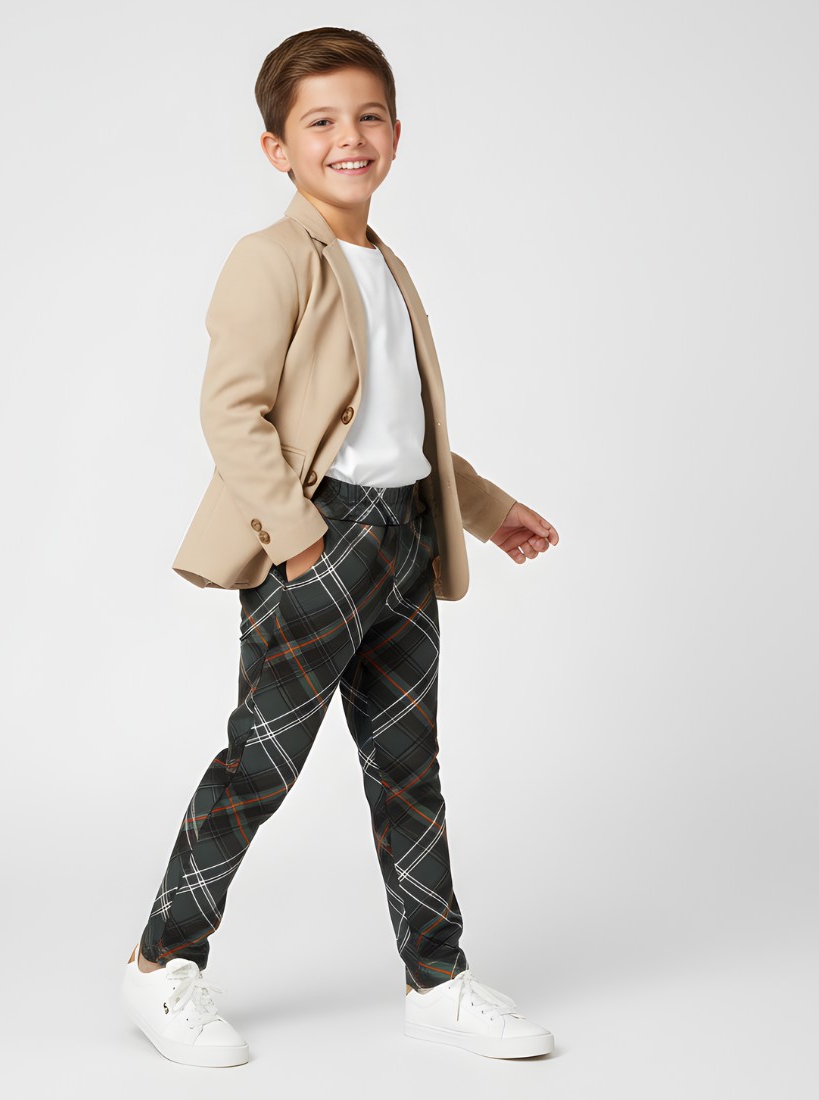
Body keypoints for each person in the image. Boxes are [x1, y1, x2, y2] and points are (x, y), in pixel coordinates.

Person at [119, 26, 559, 1068]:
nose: (347, 137)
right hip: (321, 537)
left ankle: (436, 979)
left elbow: (405, 432)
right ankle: (159, 964)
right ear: (277, 147)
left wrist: (487, 510)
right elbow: (232, 415)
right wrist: (301, 542)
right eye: (320, 121)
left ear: (396, 134)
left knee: (409, 768)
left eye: (367, 117)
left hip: (405, 536)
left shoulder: (387, 266)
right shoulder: (269, 258)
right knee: (261, 761)